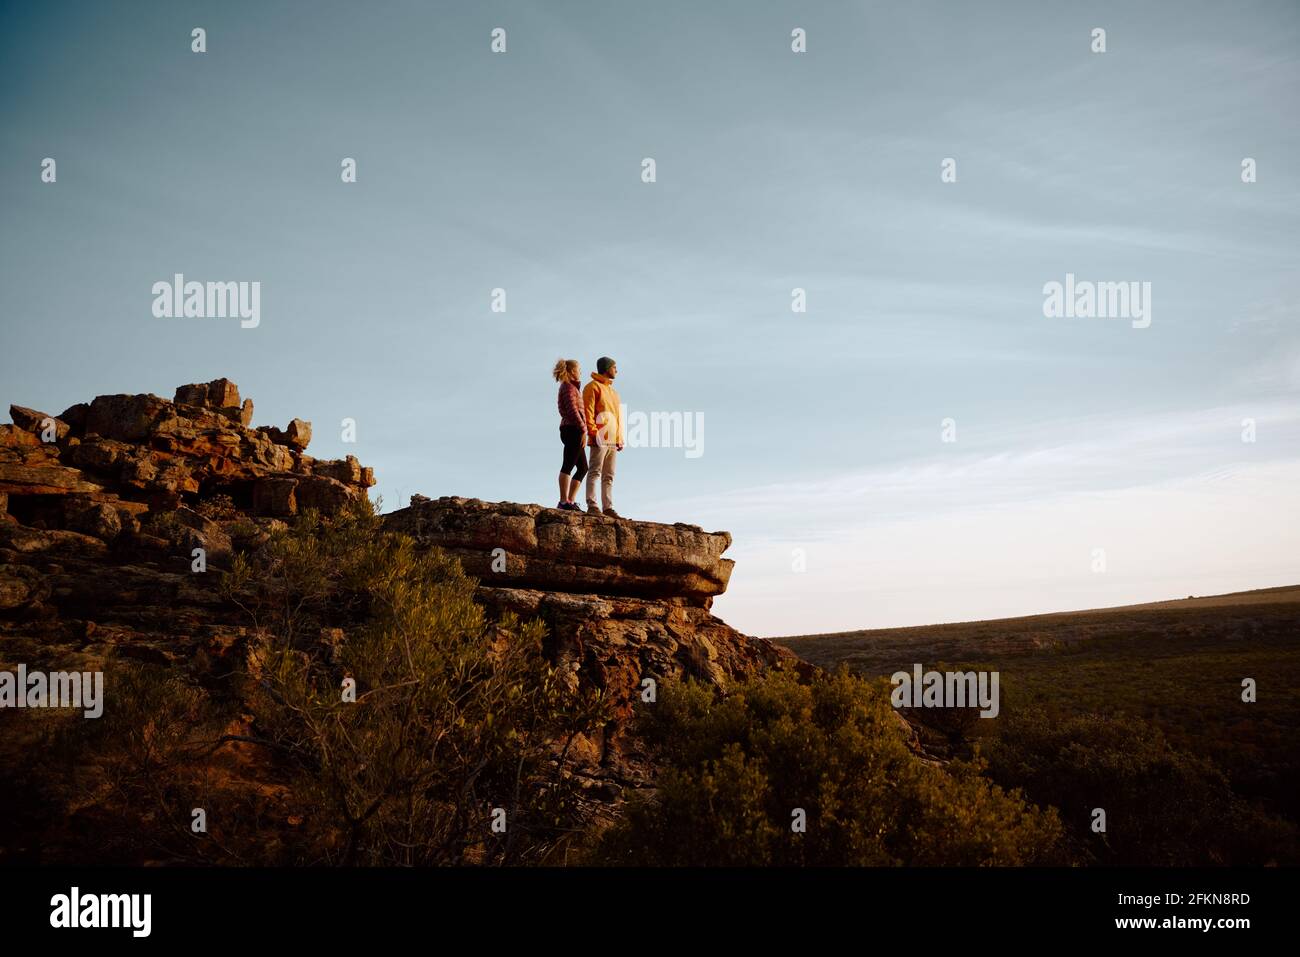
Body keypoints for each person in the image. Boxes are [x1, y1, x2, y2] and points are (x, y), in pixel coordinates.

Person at [582, 356, 624, 517]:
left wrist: (619, 438)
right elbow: (589, 411)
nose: (616, 370)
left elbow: (617, 417)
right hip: (599, 437)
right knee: (595, 471)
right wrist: (593, 432)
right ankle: (592, 505)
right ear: (607, 368)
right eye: (614, 367)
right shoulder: (592, 387)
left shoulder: (614, 393)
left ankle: (608, 507)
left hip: (613, 439)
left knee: (609, 475)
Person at [553, 359, 588, 511]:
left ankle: (570, 501)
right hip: (572, 429)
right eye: (579, 369)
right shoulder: (567, 387)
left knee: (583, 467)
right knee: (568, 464)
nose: (581, 371)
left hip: (575, 429)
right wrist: (583, 430)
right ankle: (563, 502)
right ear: (573, 371)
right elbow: (573, 411)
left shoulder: (573, 388)